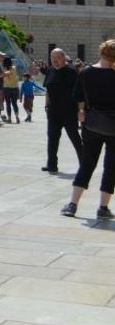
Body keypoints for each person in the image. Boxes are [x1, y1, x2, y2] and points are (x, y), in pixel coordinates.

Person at [61, 39, 115, 219]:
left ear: (101, 52)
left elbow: (78, 96)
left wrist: (81, 111)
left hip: (92, 123)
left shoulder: (86, 72)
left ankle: (72, 204)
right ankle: (103, 208)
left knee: (87, 163)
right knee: (111, 167)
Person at [43, 47, 84, 174]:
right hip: (53, 112)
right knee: (52, 138)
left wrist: (80, 110)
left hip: (69, 112)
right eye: (52, 58)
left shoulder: (72, 71)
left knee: (75, 138)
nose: (55, 60)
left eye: (58, 58)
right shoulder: (50, 70)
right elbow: (48, 91)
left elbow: (80, 93)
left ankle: (85, 165)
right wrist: (46, 106)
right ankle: (52, 165)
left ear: (64, 58)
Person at [2, 57, 22, 124]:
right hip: (14, 88)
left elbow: (4, 76)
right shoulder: (14, 68)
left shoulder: (2, 69)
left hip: (6, 88)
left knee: (8, 104)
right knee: (14, 103)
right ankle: (17, 117)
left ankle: (9, 118)